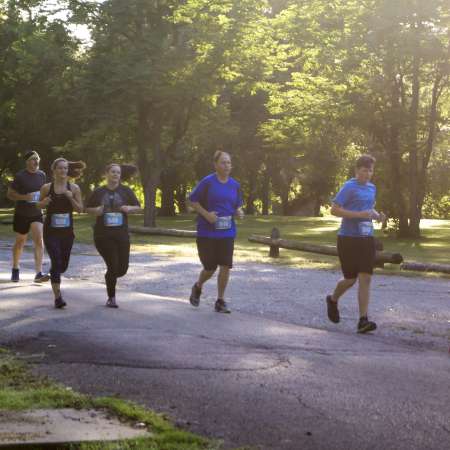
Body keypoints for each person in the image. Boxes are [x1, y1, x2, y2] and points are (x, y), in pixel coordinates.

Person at [325, 154, 385, 333]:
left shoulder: (371, 188)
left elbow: (368, 209)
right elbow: (334, 210)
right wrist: (358, 215)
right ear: (357, 170)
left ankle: (363, 320)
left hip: (367, 238)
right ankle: (333, 299)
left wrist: (377, 216)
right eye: (364, 170)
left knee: (365, 277)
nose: (367, 174)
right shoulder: (349, 187)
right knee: (350, 279)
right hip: (348, 238)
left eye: (370, 171)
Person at [188, 151, 244, 313]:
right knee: (210, 268)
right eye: (223, 162)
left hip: (227, 232)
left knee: (225, 265)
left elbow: (237, 205)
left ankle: (220, 300)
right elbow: (192, 200)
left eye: (229, 163)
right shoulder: (207, 182)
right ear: (216, 164)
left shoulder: (235, 185)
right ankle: (198, 286)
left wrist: (239, 212)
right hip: (207, 233)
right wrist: (207, 215)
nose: (227, 166)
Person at [86, 163, 141, 308]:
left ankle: (110, 278)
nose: (116, 174)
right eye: (113, 172)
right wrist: (96, 210)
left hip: (121, 234)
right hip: (103, 235)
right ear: (106, 174)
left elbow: (138, 206)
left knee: (122, 269)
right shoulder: (98, 192)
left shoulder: (126, 191)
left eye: (118, 172)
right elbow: (86, 208)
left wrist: (129, 208)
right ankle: (111, 298)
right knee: (113, 265)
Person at [38, 158, 85, 308]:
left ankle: (53, 273)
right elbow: (38, 205)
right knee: (56, 261)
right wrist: (42, 204)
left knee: (62, 265)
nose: (63, 171)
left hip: (67, 232)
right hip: (50, 231)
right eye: (60, 168)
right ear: (54, 170)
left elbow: (80, 209)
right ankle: (58, 298)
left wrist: (71, 198)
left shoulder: (74, 188)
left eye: (65, 168)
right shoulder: (46, 188)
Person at [7, 150, 49, 283]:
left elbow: (44, 192)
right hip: (22, 213)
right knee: (20, 242)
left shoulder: (42, 175)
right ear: (27, 162)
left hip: (36, 213)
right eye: (33, 159)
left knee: (39, 240)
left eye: (37, 159)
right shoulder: (20, 176)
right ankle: (15, 268)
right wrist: (24, 197)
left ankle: (38, 272)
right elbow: (10, 194)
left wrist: (44, 201)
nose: (36, 161)